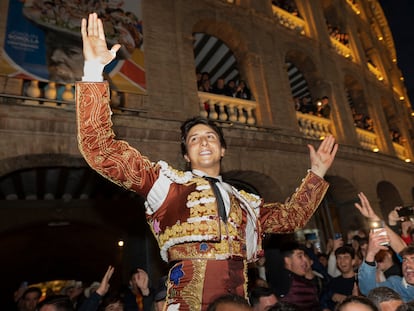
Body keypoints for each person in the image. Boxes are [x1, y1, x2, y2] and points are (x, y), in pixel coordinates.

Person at [76, 12, 338, 311]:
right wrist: (93, 72)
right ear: (186, 155)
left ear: (223, 150)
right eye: (194, 138)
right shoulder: (166, 185)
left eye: (211, 137)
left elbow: (292, 218)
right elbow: (102, 150)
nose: (203, 141)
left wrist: (317, 173)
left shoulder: (247, 203)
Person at [320, 245, 359, 311]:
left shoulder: (361, 280)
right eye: (339, 258)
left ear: (353, 261)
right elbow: (322, 299)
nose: (342, 261)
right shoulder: (332, 282)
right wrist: (332, 296)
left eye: (346, 257)